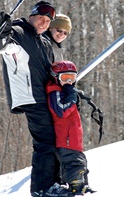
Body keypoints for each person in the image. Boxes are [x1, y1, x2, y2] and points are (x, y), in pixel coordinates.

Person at [0, 1, 71, 197]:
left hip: (45, 97)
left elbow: (50, 72)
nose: (43, 23)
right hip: (29, 97)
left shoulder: (43, 42)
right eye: (40, 19)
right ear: (31, 16)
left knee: (55, 138)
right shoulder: (18, 32)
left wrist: (67, 87)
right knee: (45, 141)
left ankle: (54, 183)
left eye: (47, 21)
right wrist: (3, 30)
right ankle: (42, 188)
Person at [46, 60, 95, 196]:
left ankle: (83, 186)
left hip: (73, 139)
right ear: (56, 77)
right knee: (74, 163)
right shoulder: (55, 92)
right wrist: (72, 97)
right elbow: (61, 111)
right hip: (66, 140)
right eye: (65, 78)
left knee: (80, 162)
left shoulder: (64, 91)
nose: (68, 82)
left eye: (72, 78)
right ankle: (76, 188)